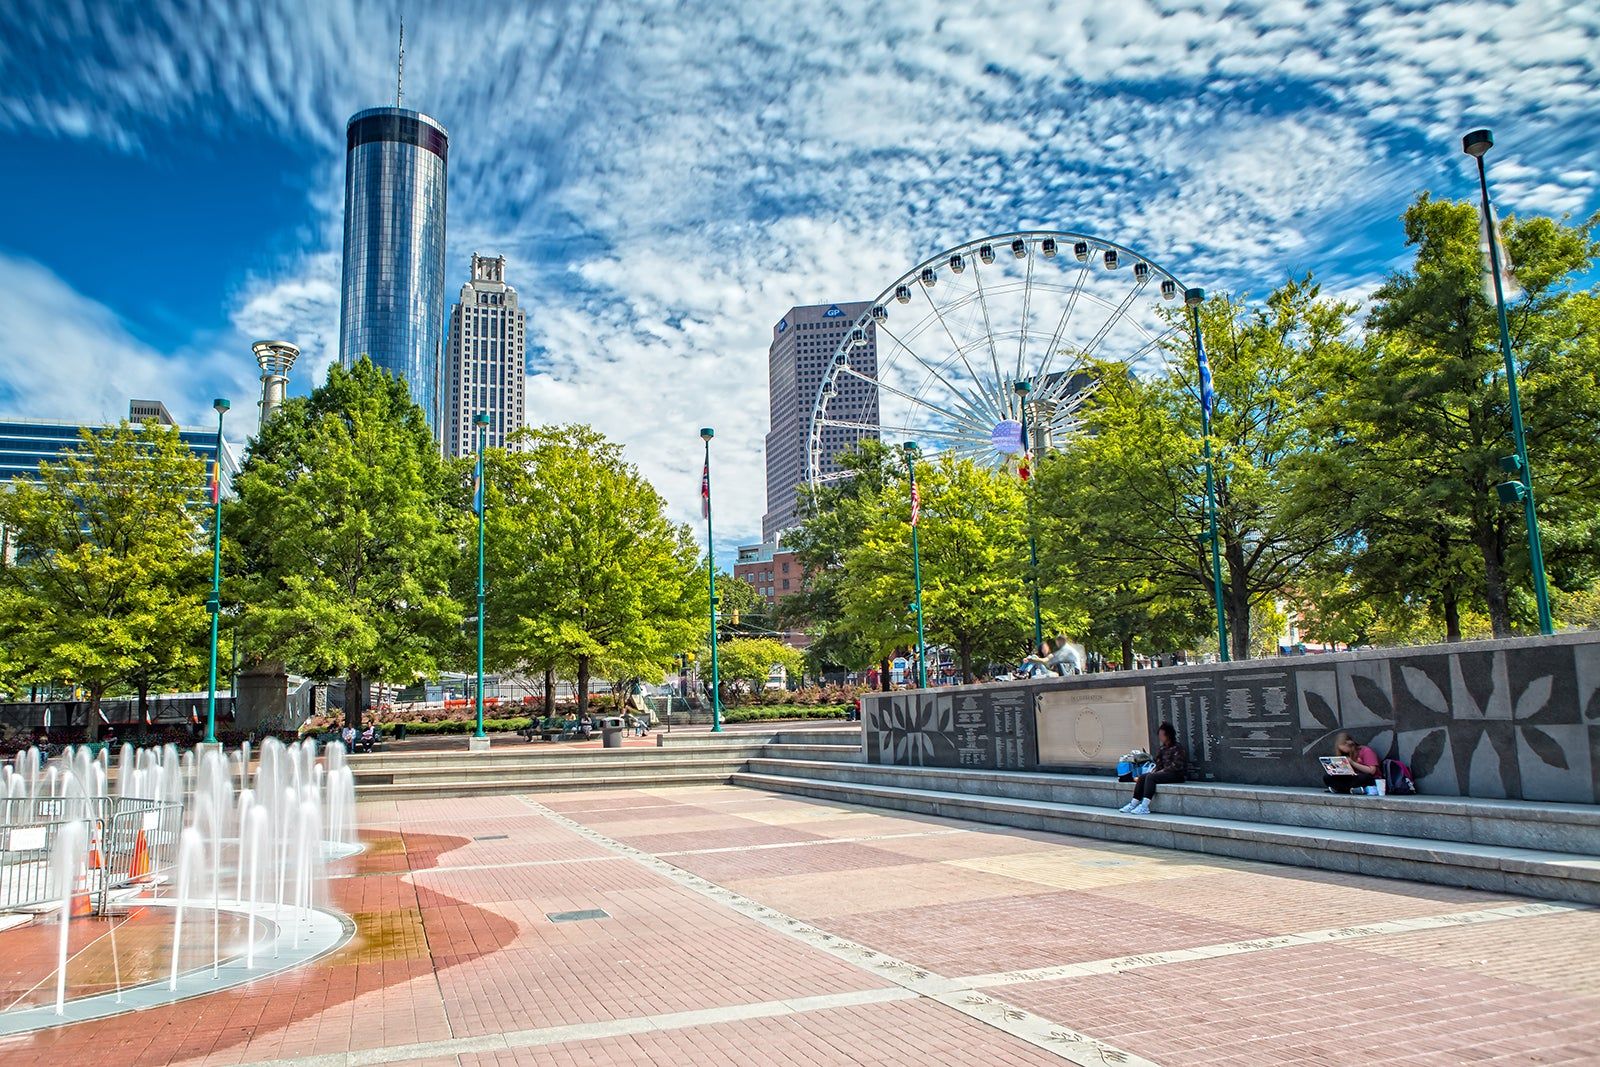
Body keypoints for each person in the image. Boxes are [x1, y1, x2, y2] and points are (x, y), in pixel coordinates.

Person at [1118, 722, 1186, 815]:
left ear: (1168, 735)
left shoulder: (1178, 748)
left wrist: (1160, 772)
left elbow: (1177, 766)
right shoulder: (1162, 749)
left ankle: (1144, 806)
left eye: (1162, 735)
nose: (1160, 737)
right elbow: (1158, 764)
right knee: (1143, 777)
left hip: (1176, 775)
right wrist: (1155, 771)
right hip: (1164, 773)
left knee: (1151, 777)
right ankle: (1134, 803)